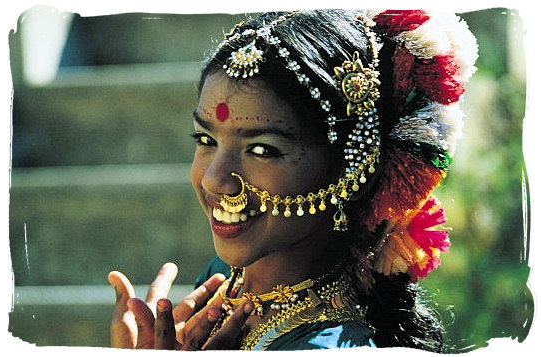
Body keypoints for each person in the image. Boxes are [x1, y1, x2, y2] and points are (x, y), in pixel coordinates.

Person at [107, 9, 478, 351]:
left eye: (263, 150)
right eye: (206, 140)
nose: (214, 180)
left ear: (355, 169)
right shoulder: (223, 282)